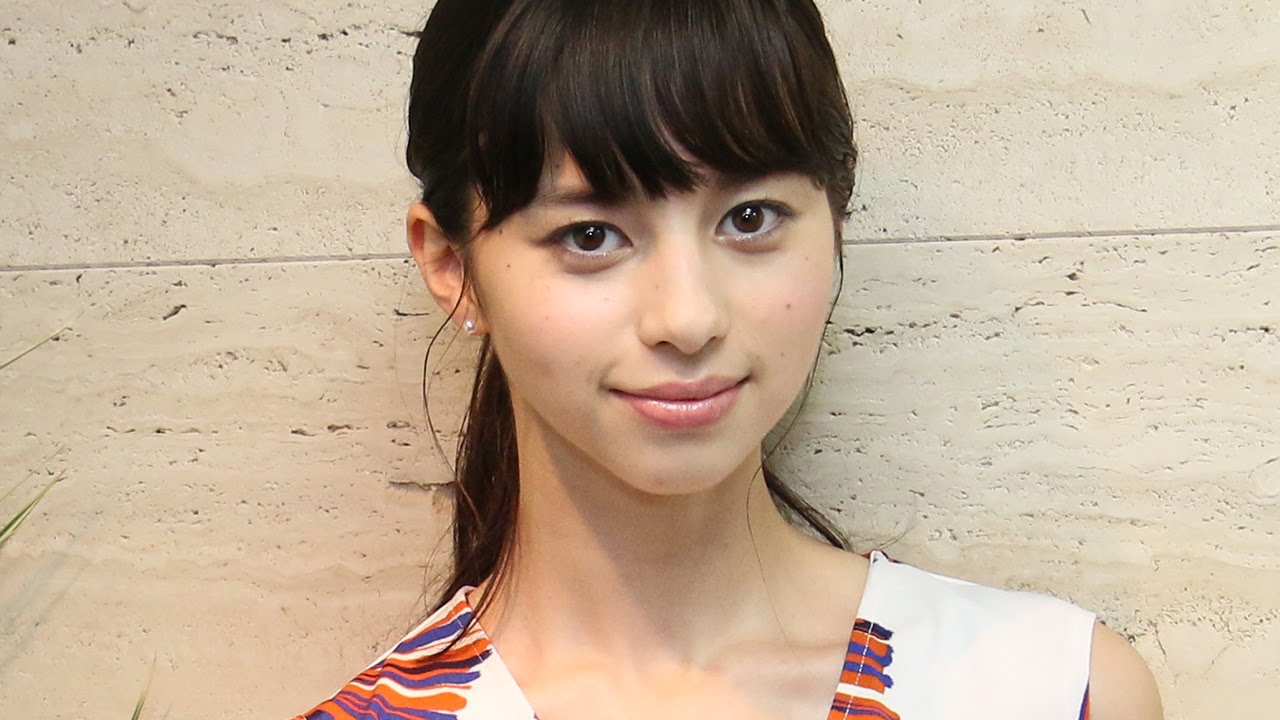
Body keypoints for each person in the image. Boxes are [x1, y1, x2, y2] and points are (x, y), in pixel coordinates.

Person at [295, 0, 1163, 718]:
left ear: (833, 221)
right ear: (454, 267)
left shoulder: (1053, 690)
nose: (688, 317)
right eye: (590, 235)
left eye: (750, 218)